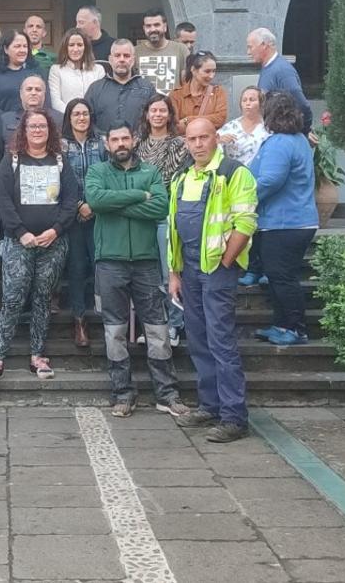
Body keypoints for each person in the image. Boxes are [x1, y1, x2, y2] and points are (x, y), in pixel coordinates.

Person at [84, 122, 188, 418]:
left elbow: (161, 207)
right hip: (110, 261)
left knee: (157, 329)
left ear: (133, 141)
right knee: (114, 331)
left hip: (145, 261)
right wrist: (140, 196)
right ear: (107, 144)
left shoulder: (151, 172)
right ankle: (122, 393)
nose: (120, 143)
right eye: (114, 139)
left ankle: (167, 394)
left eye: (125, 138)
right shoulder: (97, 172)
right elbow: (95, 200)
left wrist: (115, 204)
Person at [169, 117, 258, 443]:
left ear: (215, 139)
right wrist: (174, 273)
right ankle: (210, 405)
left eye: (203, 137)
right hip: (189, 270)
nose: (197, 144)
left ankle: (234, 416)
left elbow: (245, 222)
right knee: (198, 340)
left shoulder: (234, 173)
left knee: (221, 341)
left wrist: (226, 260)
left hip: (218, 270)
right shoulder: (182, 177)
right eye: (192, 139)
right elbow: (174, 231)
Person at [0, 109, 77, 386]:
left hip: (52, 243)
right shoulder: (12, 161)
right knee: (12, 298)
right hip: (18, 242)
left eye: (42, 127)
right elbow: (2, 198)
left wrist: (55, 230)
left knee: (43, 299)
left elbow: (71, 200)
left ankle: (37, 355)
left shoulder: (60, 161)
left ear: (50, 131)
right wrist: (20, 232)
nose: (37, 131)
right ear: (23, 130)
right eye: (32, 126)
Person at [250, 93, 318, 347]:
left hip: (283, 223)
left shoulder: (279, 143)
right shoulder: (299, 139)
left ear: (269, 114)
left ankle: (294, 329)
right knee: (281, 276)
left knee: (282, 278)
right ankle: (281, 324)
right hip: (298, 221)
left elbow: (270, 180)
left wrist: (242, 198)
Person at [136, 94, 192, 343]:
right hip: (139, 217)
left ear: (170, 115)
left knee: (167, 271)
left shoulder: (178, 144)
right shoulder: (137, 145)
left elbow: (171, 179)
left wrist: (146, 192)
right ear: (146, 115)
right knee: (144, 275)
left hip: (165, 215)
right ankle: (151, 325)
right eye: (153, 110)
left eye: (162, 111)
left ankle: (174, 325)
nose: (157, 115)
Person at [60, 99, 106, 347]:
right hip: (73, 216)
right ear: (69, 117)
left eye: (85, 113)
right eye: (76, 113)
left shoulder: (102, 142)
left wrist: (93, 204)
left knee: (102, 264)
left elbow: (109, 176)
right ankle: (79, 320)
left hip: (100, 214)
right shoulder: (60, 145)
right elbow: (60, 180)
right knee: (77, 268)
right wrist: (79, 204)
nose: (81, 118)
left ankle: (106, 316)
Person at [219, 85, 271, 287]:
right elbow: (212, 145)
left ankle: (265, 268)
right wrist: (219, 140)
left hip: (261, 184)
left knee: (262, 227)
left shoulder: (268, 128)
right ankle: (250, 268)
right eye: (245, 100)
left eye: (253, 99)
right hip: (237, 185)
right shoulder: (231, 127)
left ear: (261, 103)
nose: (248, 103)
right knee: (243, 225)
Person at [247, 27, 313, 132]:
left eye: (250, 47)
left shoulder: (282, 70)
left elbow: (302, 106)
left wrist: (303, 132)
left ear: (264, 45)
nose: (248, 52)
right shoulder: (268, 67)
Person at [84, 39, 155, 136]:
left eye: (126, 56)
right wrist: (103, 140)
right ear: (110, 59)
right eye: (117, 55)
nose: (122, 59)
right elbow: (86, 120)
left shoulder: (147, 88)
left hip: (139, 147)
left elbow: (154, 120)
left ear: (133, 60)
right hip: (103, 147)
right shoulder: (95, 89)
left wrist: (137, 138)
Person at [0, 74, 50, 173]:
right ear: (21, 94)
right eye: (29, 89)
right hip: (12, 180)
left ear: (44, 94)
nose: (33, 93)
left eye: (38, 90)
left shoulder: (58, 119)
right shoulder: (5, 120)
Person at [0, 29, 47, 120]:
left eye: (25, 46)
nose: (22, 50)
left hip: (35, 125)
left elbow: (47, 102)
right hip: (4, 126)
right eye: (17, 46)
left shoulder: (37, 72)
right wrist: (10, 120)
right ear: (6, 49)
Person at [169, 50, 228, 134]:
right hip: (184, 144)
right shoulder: (176, 95)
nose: (212, 76)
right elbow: (175, 126)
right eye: (207, 71)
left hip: (208, 144)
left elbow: (220, 119)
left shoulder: (218, 92)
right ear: (193, 70)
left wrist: (188, 120)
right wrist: (208, 120)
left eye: (214, 71)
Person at [48, 28, 105, 114]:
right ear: (65, 48)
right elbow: (56, 102)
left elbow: (101, 99)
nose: (75, 49)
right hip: (66, 120)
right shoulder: (56, 70)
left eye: (79, 45)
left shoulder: (98, 70)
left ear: (86, 47)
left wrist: (88, 116)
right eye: (71, 45)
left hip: (94, 120)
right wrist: (74, 115)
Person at [134, 9, 189, 95]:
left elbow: (187, 83)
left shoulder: (181, 49)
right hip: (144, 107)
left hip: (173, 106)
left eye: (156, 25)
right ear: (144, 29)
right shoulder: (135, 52)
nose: (152, 29)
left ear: (165, 27)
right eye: (148, 26)